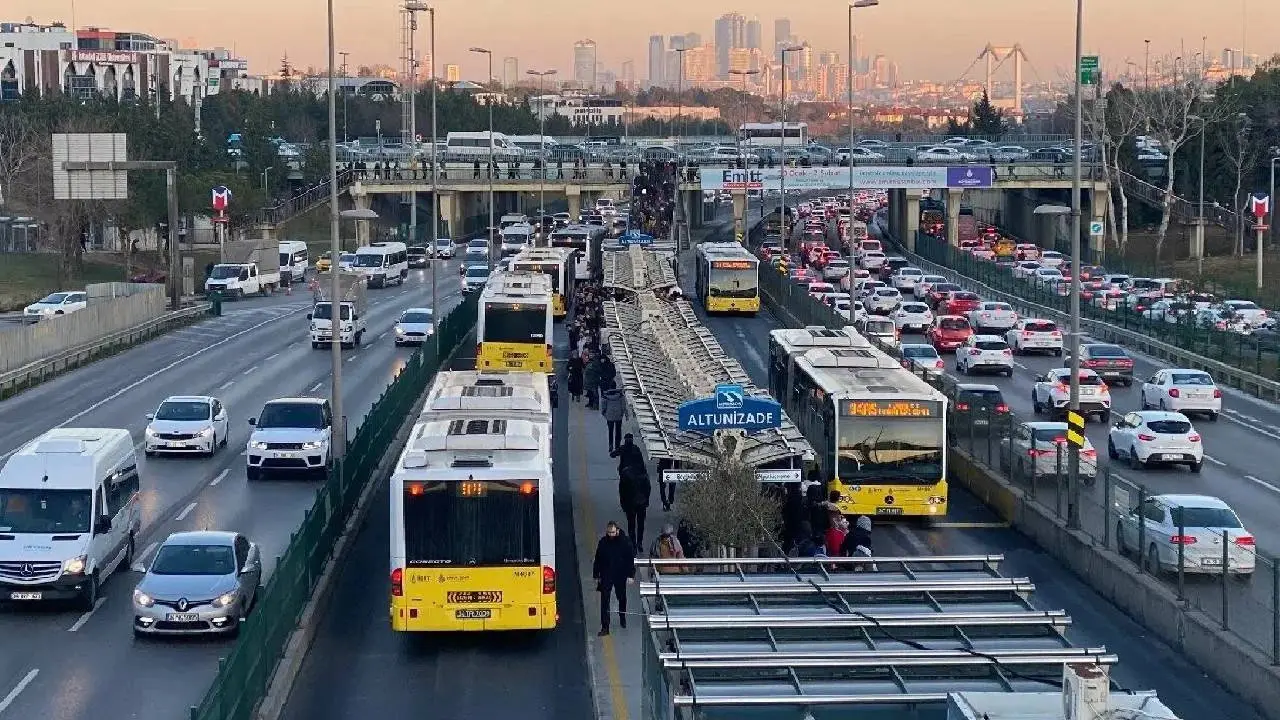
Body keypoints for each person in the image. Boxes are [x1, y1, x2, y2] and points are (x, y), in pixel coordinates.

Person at [591, 521, 635, 636]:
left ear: (617, 531)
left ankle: (622, 616)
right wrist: (596, 575)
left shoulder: (625, 542)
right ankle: (605, 626)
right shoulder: (603, 542)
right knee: (604, 600)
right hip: (606, 575)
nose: (611, 534)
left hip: (620, 574)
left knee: (621, 597)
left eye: (613, 532)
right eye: (609, 532)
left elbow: (630, 559)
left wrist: (631, 575)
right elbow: (598, 559)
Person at [612, 434, 650, 550]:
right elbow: (648, 488)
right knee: (641, 524)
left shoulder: (625, 477)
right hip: (642, 503)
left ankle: (633, 543)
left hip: (630, 503)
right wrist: (646, 500)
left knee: (631, 524)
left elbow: (622, 491)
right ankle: (639, 543)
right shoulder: (643, 475)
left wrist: (623, 504)